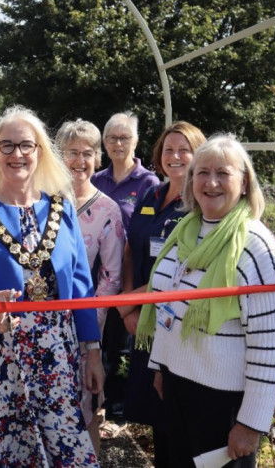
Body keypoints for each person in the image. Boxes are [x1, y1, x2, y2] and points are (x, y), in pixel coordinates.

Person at [0, 106, 104, 467]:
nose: (17, 154)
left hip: (57, 349)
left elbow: (82, 286)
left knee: (66, 445)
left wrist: (94, 350)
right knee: (7, 450)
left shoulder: (63, 208)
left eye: (26, 144)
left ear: (40, 152)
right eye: (6, 146)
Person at [135, 134, 275, 467]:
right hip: (177, 386)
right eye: (202, 172)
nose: (211, 182)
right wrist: (160, 367)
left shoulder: (255, 245)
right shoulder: (185, 231)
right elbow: (167, 305)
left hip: (223, 404)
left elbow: (271, 342)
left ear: (245, 181)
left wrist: (250, 423)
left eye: (223, 173)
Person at [118, 121, 206, 468]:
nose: (175, 156)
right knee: (156, 415)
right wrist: (127, 305)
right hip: (140, 318)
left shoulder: (199, 205)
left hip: (172, 321)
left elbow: (182, 272)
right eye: (169, 149)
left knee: (176, 413)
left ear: (198, 154)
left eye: (184, 149)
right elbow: (130, 249)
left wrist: (128, 306)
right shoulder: (152, 195)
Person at [55, 119, 125, 429]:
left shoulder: (108, 211)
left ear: (98, 157)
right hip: (37, 321)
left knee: (82, 413)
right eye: (72, 152)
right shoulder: (40, 201)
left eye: (88, 153)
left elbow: (111, 278)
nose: (79, 162)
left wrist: (88, 328)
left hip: (83, 329)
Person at [90, 111, 159, 421]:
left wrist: (130, 299)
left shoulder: (149, 183)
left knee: (122, 348)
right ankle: (96, 402)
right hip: (97, 277)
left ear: (136, 142)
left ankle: (118, 412)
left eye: (125, 137)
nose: (118, 143)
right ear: (104, 143)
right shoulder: (96, 180)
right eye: (113, 138)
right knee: (96, 342)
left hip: (131, 279)